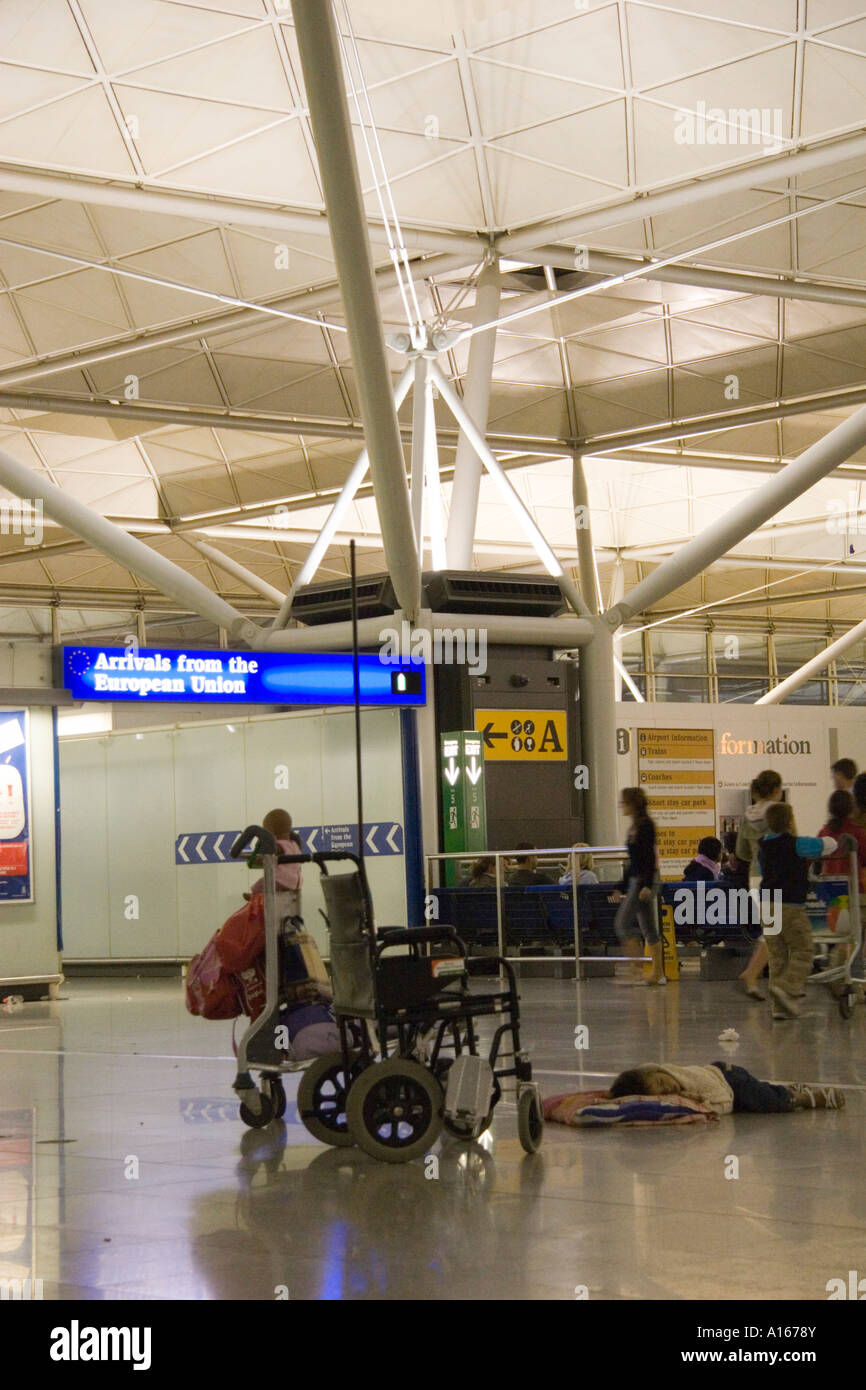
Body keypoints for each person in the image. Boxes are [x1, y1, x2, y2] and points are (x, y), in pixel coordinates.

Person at [758, 801, 837, 1020]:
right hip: (790, 905)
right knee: (804, 950)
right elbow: (828, 844)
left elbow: (762, 870)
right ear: (790, 821)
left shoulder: (762, 845)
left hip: (767, 905)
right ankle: (786, 986)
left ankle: (779, 1008)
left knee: (777, 956)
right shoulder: (797, 844)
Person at [609, 1060, 844, 1112]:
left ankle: (802, 1099)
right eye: (660, 1092)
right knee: (760, 1090)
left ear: (659, 1070)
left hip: (730, 1080)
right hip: (727, 1074)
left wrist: (708, 1106)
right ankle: (790, 1089)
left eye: (662, 1081)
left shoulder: (683, 1078)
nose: (668, 1088)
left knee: (765, 1101)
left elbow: (721, 1099)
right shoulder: (674, 1097)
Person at [735, 772, 783, 1000]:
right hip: (775, 875)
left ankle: (760, 975)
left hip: (755, 876)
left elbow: (741, 852)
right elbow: (791, 844)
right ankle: (754, 974)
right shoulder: (781, 813)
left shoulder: (747, 816)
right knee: (774, 930)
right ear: (776, 790)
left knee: (772, 929)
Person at [611, 787, 663, 986]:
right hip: (636, 879)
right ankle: (655, 972)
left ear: (632, 804)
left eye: (624, 802)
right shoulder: (635, 827)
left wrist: (648, 884)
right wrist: (621, 886)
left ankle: (637, 967)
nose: (621, 806)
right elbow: (633, 861)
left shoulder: (646, 825)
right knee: (648, 927)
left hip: (643, 880)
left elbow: (649, 858)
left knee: (623, 923)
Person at [248, 808, 303, 919]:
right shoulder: (294, 844)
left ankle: (254, 898)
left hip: (280, 879)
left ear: (271, 830)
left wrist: (258, 855)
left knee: (258, 886)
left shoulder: (278, 845)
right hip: (295, 882)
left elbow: (268, 854)